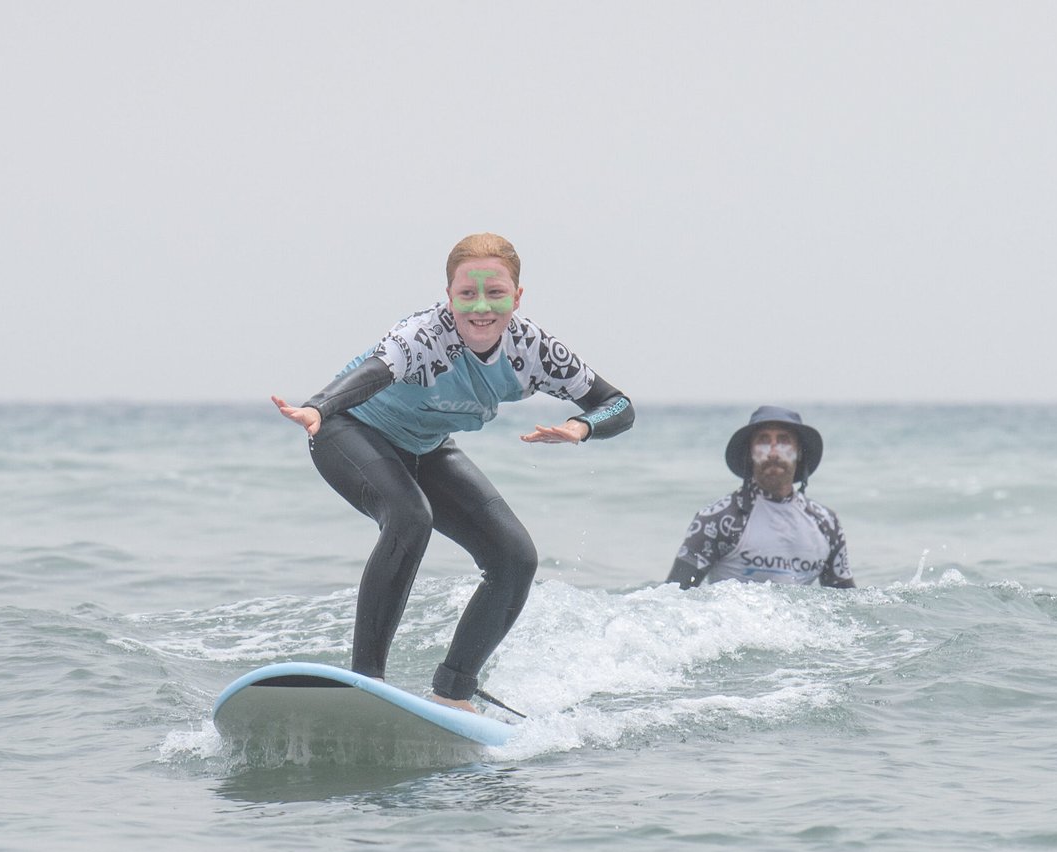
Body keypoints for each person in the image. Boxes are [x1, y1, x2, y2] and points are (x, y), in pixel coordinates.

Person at [272, 233, 634, 712]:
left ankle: (453, 693)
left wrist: (580, 426)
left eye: (495, 293)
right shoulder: (425, 335)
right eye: (467, 294)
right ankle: (367, 683)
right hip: (347, 428)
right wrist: (319, 406)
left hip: (425, 447)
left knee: (515, 558)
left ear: (517, 297)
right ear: (449, 297)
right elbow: (375, 372)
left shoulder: (533, 350)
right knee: (409, 517)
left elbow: (618, 405)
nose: (481, 307)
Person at [667, 406, 855, 590]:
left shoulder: (826, 524)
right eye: (763, 441)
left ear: (799, 452)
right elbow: (672, 596)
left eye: (783, 441)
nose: (773, 453)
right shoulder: (717, 520)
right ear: (750, 453)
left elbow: (848, 603)